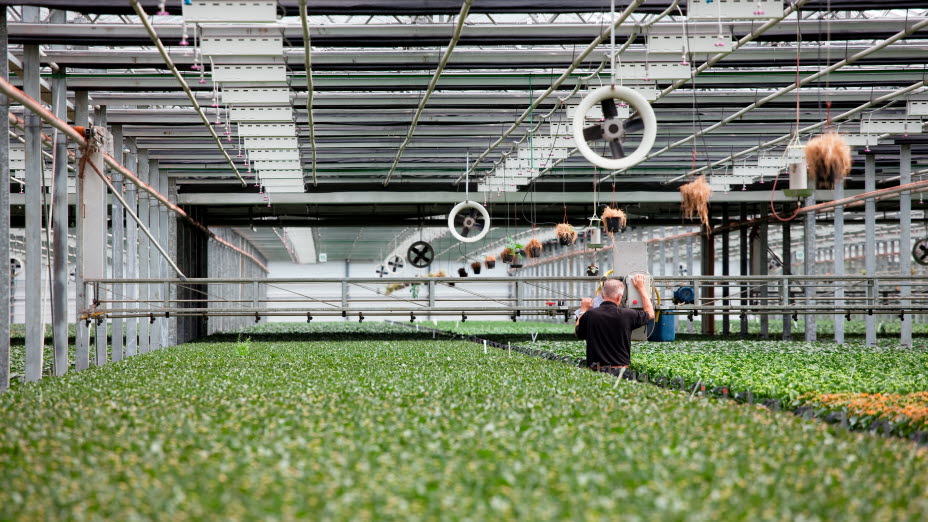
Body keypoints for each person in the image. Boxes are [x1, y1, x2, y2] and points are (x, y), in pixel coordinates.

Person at [575, 275, 655, 372]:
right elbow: (650, 314)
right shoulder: (628, 314)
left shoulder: (590, 314)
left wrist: (583, 310)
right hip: (621, 371)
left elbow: (578, 333)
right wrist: (641, 288)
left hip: (595, 371)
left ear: (603, 295)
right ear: (619, 297)